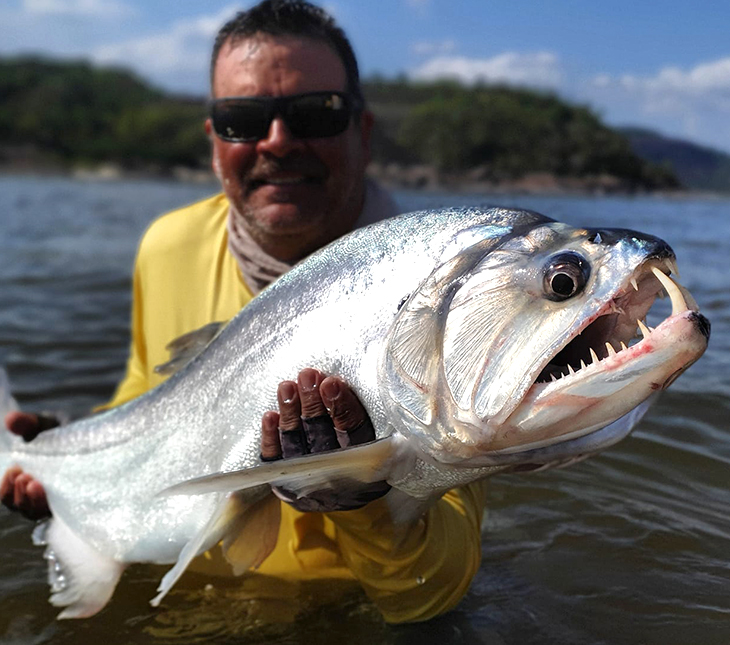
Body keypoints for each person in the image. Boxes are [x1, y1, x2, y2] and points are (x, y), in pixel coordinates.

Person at [1, 0, 487, 624]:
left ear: (363, 134)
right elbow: (147, 392)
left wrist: (362, 496)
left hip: (343, 618)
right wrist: (66, 441)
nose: (277, 141)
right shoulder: (168, 246)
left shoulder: (443, 292)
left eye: (315, 113)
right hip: (188, 600)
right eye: (242, 119)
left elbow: (431, 592)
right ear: (214, 143)